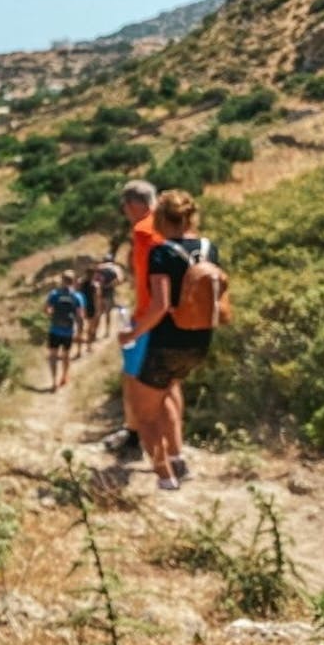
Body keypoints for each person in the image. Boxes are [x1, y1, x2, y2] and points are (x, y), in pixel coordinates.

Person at [119, 189, 221, 490]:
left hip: (165, 341)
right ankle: (178, 461)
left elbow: (160, 305)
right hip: (199, 341)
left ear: (161, 218)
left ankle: (165, 478)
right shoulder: (209, 248)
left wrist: (131, 334)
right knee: (168, 393)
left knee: (144, 415)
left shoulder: (161, 252)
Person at [104, 180, 162, 454]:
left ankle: (135, 433)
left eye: (125, 207)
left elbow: (145, 277)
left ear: (133, 205)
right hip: (174, 316)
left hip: (149, 314)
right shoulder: (170, 225)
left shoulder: (143, 232)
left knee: (133, 377)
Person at [44, 269, 84, 392]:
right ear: (73, 281)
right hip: (68, 331)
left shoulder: (54, 294)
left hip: (55, 330)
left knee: (53, 356)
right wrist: (79, 332)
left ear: (62, 280)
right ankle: (64, 377)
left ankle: (54, 381)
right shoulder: (77, 296)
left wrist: (52, 315)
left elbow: (46, 309)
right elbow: (80, 316)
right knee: (66, 355)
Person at [95, 253, 124, 338]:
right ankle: (107, 332)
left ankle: (94, 332)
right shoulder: (115, 267)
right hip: (109, 292)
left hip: (99, 292)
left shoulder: (100, 267)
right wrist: (110, 285)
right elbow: (120, 280)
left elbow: (95, 279)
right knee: (108, 313)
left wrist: (101, 286)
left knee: (98, 312)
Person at [78, 265, 101, 356]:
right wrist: (98, 310)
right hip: (91, 308)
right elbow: (96, 298)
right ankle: (89, 347)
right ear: (93, 274)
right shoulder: (95, 285)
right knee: (90, 329)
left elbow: (77, 295)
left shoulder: (81, 284)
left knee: (80, 329)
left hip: (81, 307)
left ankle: (79, 351)